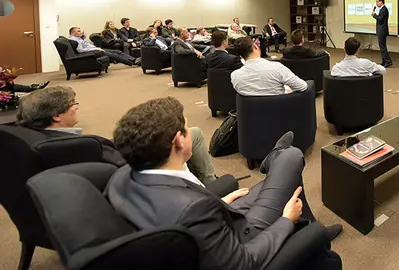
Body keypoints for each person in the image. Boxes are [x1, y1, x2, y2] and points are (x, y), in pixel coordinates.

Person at [106, 98, 342, 270]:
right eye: (188, 129)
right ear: (178, 140)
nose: (191, 132)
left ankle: (312, 224)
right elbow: (244, 263)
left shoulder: (120, 179)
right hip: (241, 236)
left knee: (286, 179)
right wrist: (285, 221)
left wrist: (217, 202)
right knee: (291, 158)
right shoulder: (193, 209)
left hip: (215, 221)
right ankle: (279, 160)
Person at [15, 86, 218, 183]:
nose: (76, 108)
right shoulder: (83, 146)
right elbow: (127, 162)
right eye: (73, 104)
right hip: (149, 169)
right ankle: (208, 183)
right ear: (57, 116)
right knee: (194, 133)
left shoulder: (27, 140)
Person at [231, 38, 307, 96]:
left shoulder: (235, 76)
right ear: (255, 46)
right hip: (280, 112)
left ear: (241, 56)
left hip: (251, 115)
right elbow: (302, 87)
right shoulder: (277, 67)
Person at [68, 27, 140, 66]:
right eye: (78, 31)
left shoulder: (78, 38)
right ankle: (133, 62)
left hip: (95, 49)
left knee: (117, 51)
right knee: (114, 55)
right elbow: (80, 50)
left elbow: (85, 45)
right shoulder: (75, 40)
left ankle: (133, 59)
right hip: (92, 52)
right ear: (73, 32)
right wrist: (97, 49)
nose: (80, 32)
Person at [371, 0, 392, 67]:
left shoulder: (384, 9)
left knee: (383, 47)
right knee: (382, 46)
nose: (376, 3)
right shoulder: (382, 9)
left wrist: (374, 15)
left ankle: (388, 61)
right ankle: (384, 60)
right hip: (381, 30)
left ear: (381, 2)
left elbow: (380, 19)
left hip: (382, 30)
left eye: (377, 1)